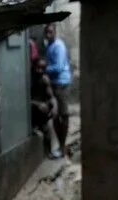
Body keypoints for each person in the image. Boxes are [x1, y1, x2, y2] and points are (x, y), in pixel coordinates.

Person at [44, 23, 73, 159]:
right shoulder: (49, 45)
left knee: (64, 114)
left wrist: (45, 68)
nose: (48, 35)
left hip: (61, 83)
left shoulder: (58, 46)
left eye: (50, 32)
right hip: (54, 83)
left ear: (55, 32)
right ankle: (61, 146)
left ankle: (62, 147)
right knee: (56, 116)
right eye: (47, 32)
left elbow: (58, 67)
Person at [30, 56, 59, 156]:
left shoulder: (44, 79)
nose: (40, 70)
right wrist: (37, 104)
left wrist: (55, 106)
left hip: (42, 111)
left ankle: (49, 151)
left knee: (47, 128)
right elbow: (23, 101)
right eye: (38, 67)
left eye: (42, 68)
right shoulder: (28, 80)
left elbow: (51, 96)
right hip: (31, 111)